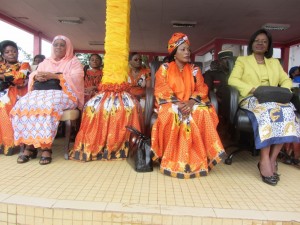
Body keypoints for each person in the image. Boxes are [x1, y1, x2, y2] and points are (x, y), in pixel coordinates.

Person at [228, 29, 300, 186]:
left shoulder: (274, 62)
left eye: (264, 41)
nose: (260, 43)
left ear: (268, 46)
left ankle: (272, 159)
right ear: (252, 44)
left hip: (274, 98)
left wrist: (285, 90)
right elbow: (233, 80)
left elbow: (286, 80)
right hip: (252, 98)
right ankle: (264, 158)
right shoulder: (242, 60)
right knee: (268, 112)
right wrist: (253, 89)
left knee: (288, 112)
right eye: (257, 41)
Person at [150, 33, 225, 179]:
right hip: (170, 103)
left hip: (191, 102)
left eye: (188, 50)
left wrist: (190, 102)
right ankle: (172, 159)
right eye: (183, 49)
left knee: (203, 112)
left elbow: (202, 88)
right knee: (173, 114)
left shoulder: (195, 69)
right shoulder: (164, 68)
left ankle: (200, 158)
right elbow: (161, 88)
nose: (187, 52)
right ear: (174, 52)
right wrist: (178, 103)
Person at [10, 35, 84, 165]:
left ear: (68, 47)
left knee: (47, 106)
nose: (58, 47)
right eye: (56, 45)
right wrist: (37, 77)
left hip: (64, 94)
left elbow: (77, 78)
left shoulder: (74, 62)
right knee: (22, 105)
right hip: (40, 93)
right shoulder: (45, 62)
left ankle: (46, 148)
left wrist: (55, 76)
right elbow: (33, 74)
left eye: (62, 45)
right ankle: (30, 146)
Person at [0, 40, 31, 155]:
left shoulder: (24, 65)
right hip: (3, 93)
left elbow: (20, 78)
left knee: (4, 106)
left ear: (17, 53)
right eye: (7, 52)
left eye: (13, 51)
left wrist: (3, 77)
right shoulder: (1, 65)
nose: (11, 54)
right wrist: (7, 78)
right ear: (3, 55)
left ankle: (10, 144)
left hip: (19, 93)